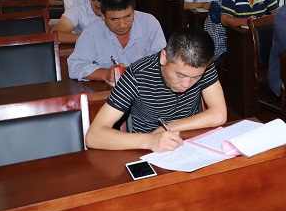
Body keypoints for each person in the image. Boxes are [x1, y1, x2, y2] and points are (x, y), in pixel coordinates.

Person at [85, 27, 227, 151]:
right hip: (147, 149)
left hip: (190, 143)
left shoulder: (202, 66)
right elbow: (93, 136)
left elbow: (219, 114)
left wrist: (169, 127)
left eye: (196, 77)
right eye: (180, 75)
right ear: (164, 58)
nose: (186, 84)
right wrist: (150, 140)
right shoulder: (137, 75)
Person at [68, 0, 166, 82]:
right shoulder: (92, 32)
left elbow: (162, 61)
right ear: (102, 16)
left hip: (146, 87)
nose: (122, 25)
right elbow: (75, 67)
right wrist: (105, 74)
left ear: (133, 11)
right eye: (114, 19)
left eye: (127, 17)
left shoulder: (149, 24)